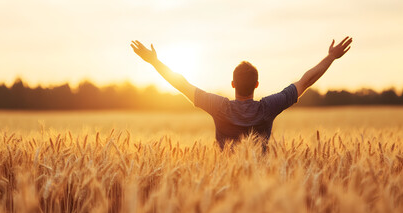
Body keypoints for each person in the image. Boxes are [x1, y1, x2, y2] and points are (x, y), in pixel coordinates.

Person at [131, 37, 352, 150]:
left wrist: (154, 62)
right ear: (257, 84)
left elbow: (181, 84)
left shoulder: (219, 107)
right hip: (261, 187)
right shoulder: (269, 107)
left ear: (232, 84)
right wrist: (331, 57)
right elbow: (306, 81)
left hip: (225, 188)